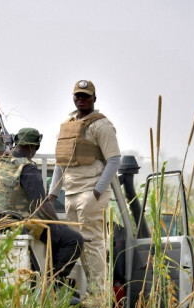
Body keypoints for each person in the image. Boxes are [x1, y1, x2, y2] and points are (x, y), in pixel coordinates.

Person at [0, 128, 84, 301]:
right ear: (35, 147)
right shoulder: (28, 170)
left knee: (55, 237)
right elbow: (41, 204)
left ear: (17, 143)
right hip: (18, 225)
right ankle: (54, 285)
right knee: (73, 240)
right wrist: (59, 225)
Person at [49, 80, 121, 295]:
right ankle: (75, 297)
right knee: (75, 246)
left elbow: (114, 160)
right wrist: (52, 194)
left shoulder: (102, 125)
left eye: (86, 96)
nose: (81, 99)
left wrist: (96, 192)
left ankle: (99, 300)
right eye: (78, 95)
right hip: (70, 193)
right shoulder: (68, 125)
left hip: (90, 192)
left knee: (92, 245)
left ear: (94, 99)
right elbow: (61, 162)